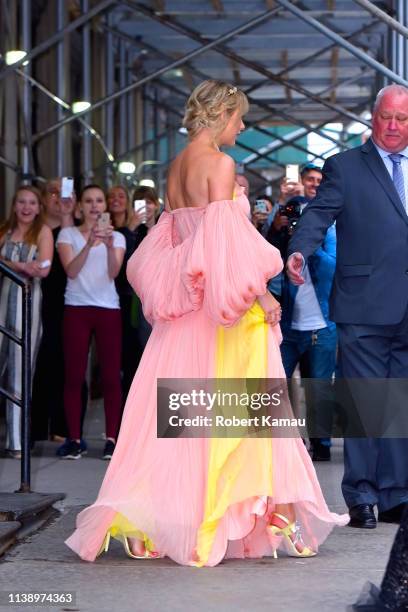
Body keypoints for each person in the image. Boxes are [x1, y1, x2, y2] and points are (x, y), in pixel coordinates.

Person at [66, 80, 347, 566]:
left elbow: (170, 246)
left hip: (184, 317)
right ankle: (273, 509)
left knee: (179, 423)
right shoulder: (220, 165)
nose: (242, 126)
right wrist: (261, 292)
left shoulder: (176, 169)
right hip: (224, 313)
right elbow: (225, 245)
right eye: (238, 117)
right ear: (220, 115)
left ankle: (149, 522)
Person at [287, 83, 408, 528]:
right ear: (372, 119)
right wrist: (299, 250)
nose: (393, 126)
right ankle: (361, 495)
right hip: (362, 305)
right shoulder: (345, 167)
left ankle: (397, 494)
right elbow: (318, 215)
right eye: (386, 117)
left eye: (402, 118)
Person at [267, 166, 337, 462]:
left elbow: (333, 266)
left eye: (319, 181)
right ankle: (276, 444)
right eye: (310, 179)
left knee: (319, 390)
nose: (314, 184)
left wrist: (307, 246)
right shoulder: (290, 213)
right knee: (274, 383)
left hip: (322, 326)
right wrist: (282, 222)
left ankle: (321, 445)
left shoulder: (331, 226)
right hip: (288, 326)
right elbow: (266, 252)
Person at [56, 185, 125, 460]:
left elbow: (113, 272)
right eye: (89, 201)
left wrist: (107, 246)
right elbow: (71, 271)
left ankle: (111, 438)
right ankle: (74, 439)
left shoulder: (117, 237)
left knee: (110, 376)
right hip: (76, 307)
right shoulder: (67, 234)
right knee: (73, 375)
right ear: (80, 206)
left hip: (108, 308)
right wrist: (88, 243)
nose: (95, 206)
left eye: (99, 200)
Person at [0, 185, 53, 457]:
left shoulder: (42, 232)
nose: (26, 207)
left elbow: (43, 269)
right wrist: (23, 266)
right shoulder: (4, 230)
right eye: (22, 201)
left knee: (21, 373)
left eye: (32, 202)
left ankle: (17, 442)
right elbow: (32, 267)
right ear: (14, 205)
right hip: (2, 304)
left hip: (27, 306)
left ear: (38, 207)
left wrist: (8, 262)